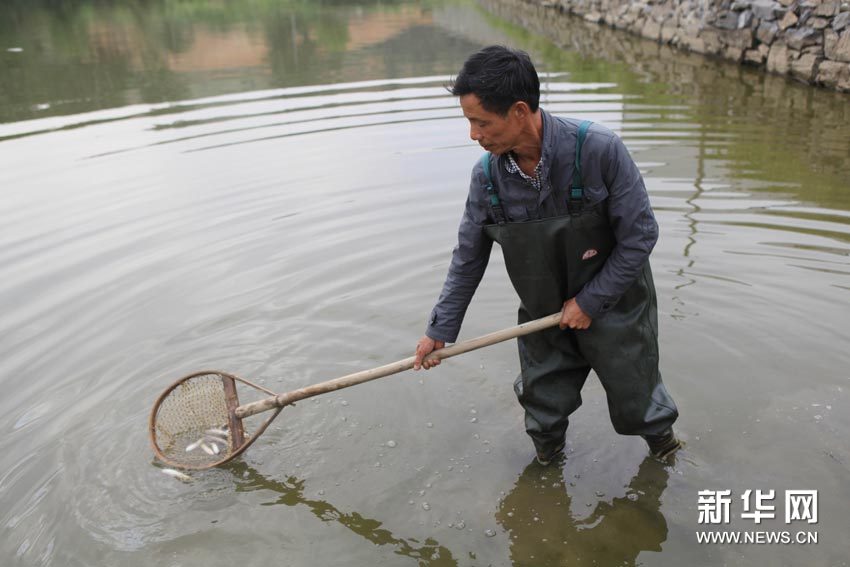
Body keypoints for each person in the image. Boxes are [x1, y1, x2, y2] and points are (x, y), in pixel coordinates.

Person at [412, 45, 680, 466]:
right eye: (469, 122)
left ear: (519, 111)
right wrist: (439, 329)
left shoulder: (599, 151)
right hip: (543, 315)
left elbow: (640, 236)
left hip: (617, 307)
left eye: (480, 122)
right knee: (542, 406)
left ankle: (666, 458)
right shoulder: (485, 179)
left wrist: (591, 302)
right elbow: (467, 258)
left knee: (640, 399)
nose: (473, 135)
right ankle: (546, 466)